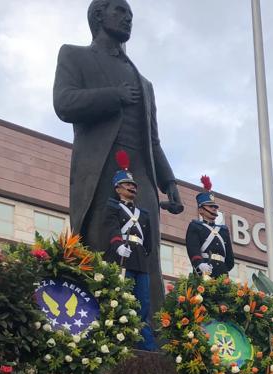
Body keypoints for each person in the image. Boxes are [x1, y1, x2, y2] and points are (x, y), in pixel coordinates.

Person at [53, 0, 182, 329]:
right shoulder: (74, 55)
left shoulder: (144, 83)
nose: (128, 19)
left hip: (141, 176)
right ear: (98, 15)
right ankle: (102, 332)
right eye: (120, 12)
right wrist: (114, 95)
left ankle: (151, 341)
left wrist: (169, 183)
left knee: (147, 258)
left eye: (130, 15)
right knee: (103, 250)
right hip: (102, 173)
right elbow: (64, 102)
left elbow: (153, 140)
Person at [102, 151, 157, 350]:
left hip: (140, 258)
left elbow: (148, 240)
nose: (132, 187)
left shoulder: (143, 213)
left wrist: (143, 252)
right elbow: (111, 227)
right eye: (127, 184)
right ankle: (116, 341)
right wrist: (118, 245)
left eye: (133, 185)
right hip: (121, 257)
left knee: (143, 303)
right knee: (119, 300)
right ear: (118, 188)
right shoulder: (113, 207)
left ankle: (146, 345)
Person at [187, 176, 234, 278]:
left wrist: (223, 269)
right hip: (204, 269)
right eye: (210, 206)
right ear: (201, 210)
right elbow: (193, 248)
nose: (214, 209)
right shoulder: (195, 226)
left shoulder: (223, 230)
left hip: (222, 273)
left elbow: (230, 259)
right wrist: (199, 264)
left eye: (215, 207)